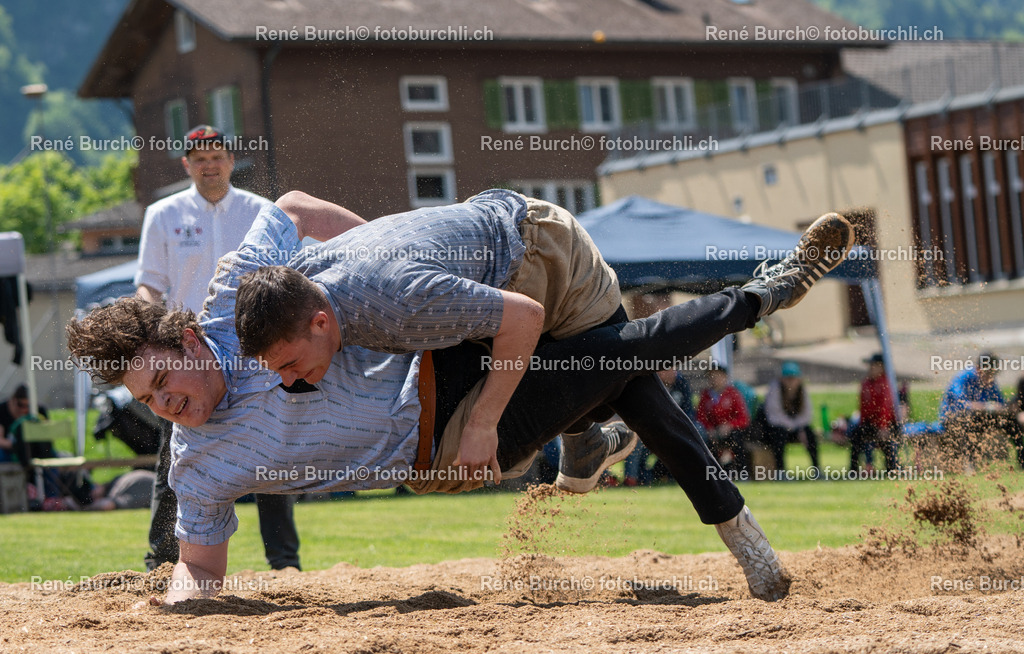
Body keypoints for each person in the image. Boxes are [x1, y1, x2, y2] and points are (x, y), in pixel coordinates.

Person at [68, 203, 854, 605]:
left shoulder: (238, 300)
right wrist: (179, 598)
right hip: (440, 446)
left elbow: (295, 204)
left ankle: (759, 295)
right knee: (615, 367)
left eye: (166, 385)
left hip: (448, 356)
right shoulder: (195, 462)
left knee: (619, 359)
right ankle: (601, 434)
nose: (166, 407)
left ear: (195, 344)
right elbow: (200, 570)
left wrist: (376, 253)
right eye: (147, 402)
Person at [233, 188, 634, 493]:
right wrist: (383, 251)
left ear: (319, 324)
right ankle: (587, 446)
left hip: (535, 247)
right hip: (497, 245)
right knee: (552, 373)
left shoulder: (400, 306)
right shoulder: (303, 280)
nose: (287, 380)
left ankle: (603, 443)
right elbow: (293, 204)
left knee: (616, 368)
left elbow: (526, 317)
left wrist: (483, 423)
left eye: (287, 365)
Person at [133, 125, 323, 571]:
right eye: (199, 159)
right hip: (187, 358)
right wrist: (153, 331)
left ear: (231, 160)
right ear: (187, 165)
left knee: (270, 454)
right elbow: (148, 285)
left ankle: (284, 563)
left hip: (255, 353)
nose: (209, 165)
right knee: (175, 459)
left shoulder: (262, 212)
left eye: (216, 156)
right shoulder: (164, 214)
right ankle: (160, 562)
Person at [939, 351, 1012, 463]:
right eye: (988, 373)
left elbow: (1001, 403)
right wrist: (987, 406)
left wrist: (1001, 408)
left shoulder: (990, 382)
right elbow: (962, 404)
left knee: (1010, 418)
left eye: (993, 373)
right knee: (970, 418)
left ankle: (1019, 458)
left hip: (978, 417)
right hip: (953, 418)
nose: (990, 377)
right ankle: (969, 462)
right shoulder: (962, 378)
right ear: (979, 369)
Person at [761, 361, 819, 475]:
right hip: (775, 428)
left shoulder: (802, 391)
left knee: (809, 434)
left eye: (793, 378)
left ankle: (817, 470)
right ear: (782, 379)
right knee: (779, 434)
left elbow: (806, 414)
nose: (791, 382)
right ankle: (781, 471)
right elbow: (774, 415)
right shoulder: (774, 389)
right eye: (788, 378)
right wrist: (794, 427)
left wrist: (800, 428)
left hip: (795, 428)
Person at [849, 353, 900, 472]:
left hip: (887, 424)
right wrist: (861, 424)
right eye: (870, 365)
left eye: (874, 365)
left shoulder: (886, 383)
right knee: (856, 435)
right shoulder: (866, 383)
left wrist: (883, 426)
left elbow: (885, 407)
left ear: (882, 367)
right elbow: (863, 407)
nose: (871, 368)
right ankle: (855, 469)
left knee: (889, 442)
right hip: (870, 424)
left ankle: (892, 468)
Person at [697, 366, 752, 475]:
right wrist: (709, 429)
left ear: (725, 377)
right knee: (705, 441)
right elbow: (700, 417)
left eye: (717, 376)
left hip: (733, 431)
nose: (714, 379)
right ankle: (713, 473)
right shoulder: (706, 395)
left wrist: (729, 425)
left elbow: (744, 419)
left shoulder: (733, 394)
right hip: (714, 432)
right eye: (711, 376)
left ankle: (741, 472)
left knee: (735, 438)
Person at [0, 384, 32, 462]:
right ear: (13, 400)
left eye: (27, 406)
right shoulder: (2, 410)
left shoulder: (37, 410)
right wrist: (17, 445)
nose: (24, 409)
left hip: (33, 450)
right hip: (8, 451)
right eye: (20, 405)